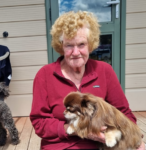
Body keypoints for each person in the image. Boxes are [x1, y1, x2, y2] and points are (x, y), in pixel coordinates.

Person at [29, 11, 145, 150]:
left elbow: (123, 111)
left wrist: (135, 138)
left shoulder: (104, 70)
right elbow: (39, 122)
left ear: (90, 44)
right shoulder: (45, 75)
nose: (76, 52)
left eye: (81, 44)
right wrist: (76, 130)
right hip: (62, 145)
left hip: (103, 145)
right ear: (61, 46)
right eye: (69, 45)